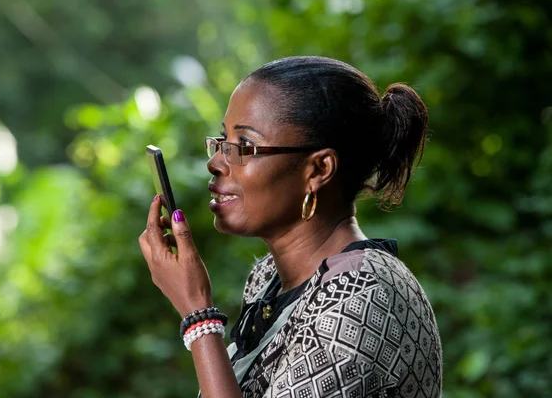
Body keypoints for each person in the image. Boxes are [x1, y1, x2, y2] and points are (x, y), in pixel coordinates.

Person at [138, 56, 442, 397]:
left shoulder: (361, 299)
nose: (215, 162)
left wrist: (198, 316)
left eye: (244, 146)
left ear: (318, 170)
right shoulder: (267, 281)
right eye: (222, 141)